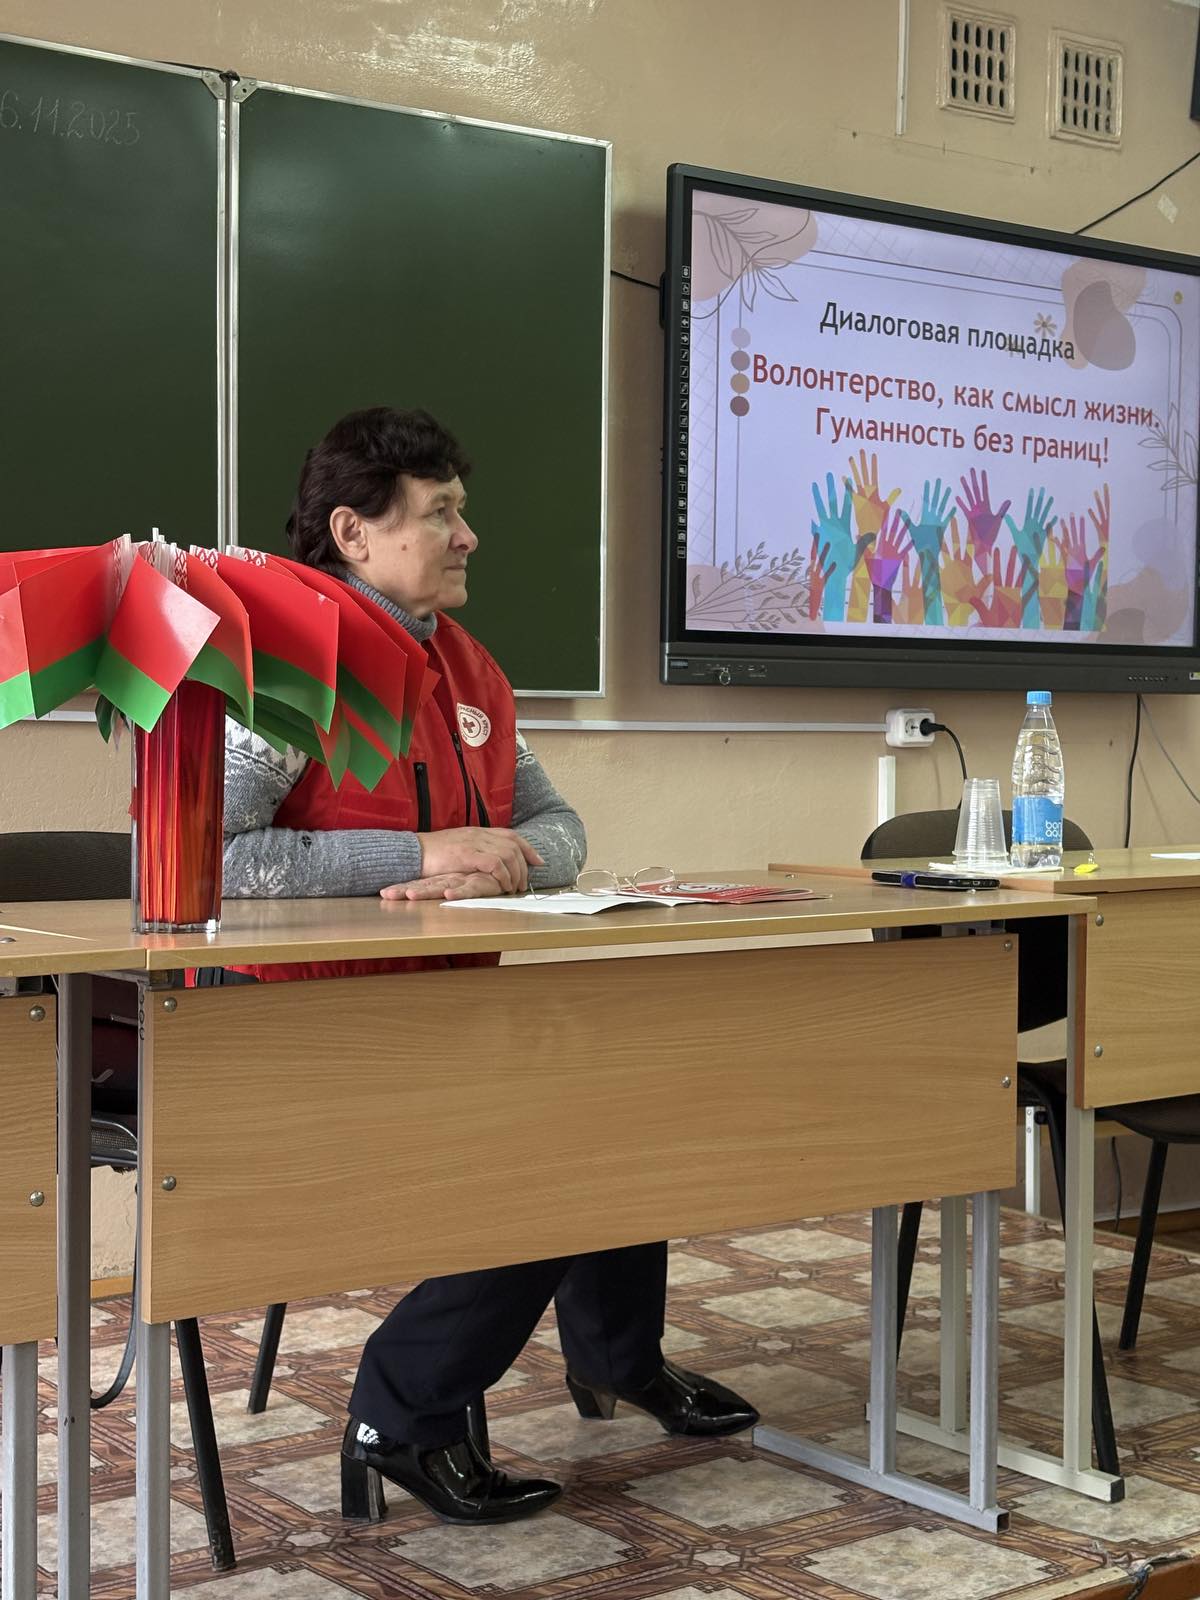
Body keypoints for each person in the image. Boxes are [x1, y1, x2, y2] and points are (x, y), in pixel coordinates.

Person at [214, 406, 758, 1527]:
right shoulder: (284, 669)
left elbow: (561, 828)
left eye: (463, 510)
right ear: (354, 532)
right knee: (544, 1144)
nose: (470, 536)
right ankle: (402, 1415)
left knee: (626, 1095)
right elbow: (214, 858)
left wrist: (501, 857)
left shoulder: (465, 669)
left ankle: (618, 1358)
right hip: (288, 1031)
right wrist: (417, 854)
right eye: (442, 513)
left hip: (439, 1009)